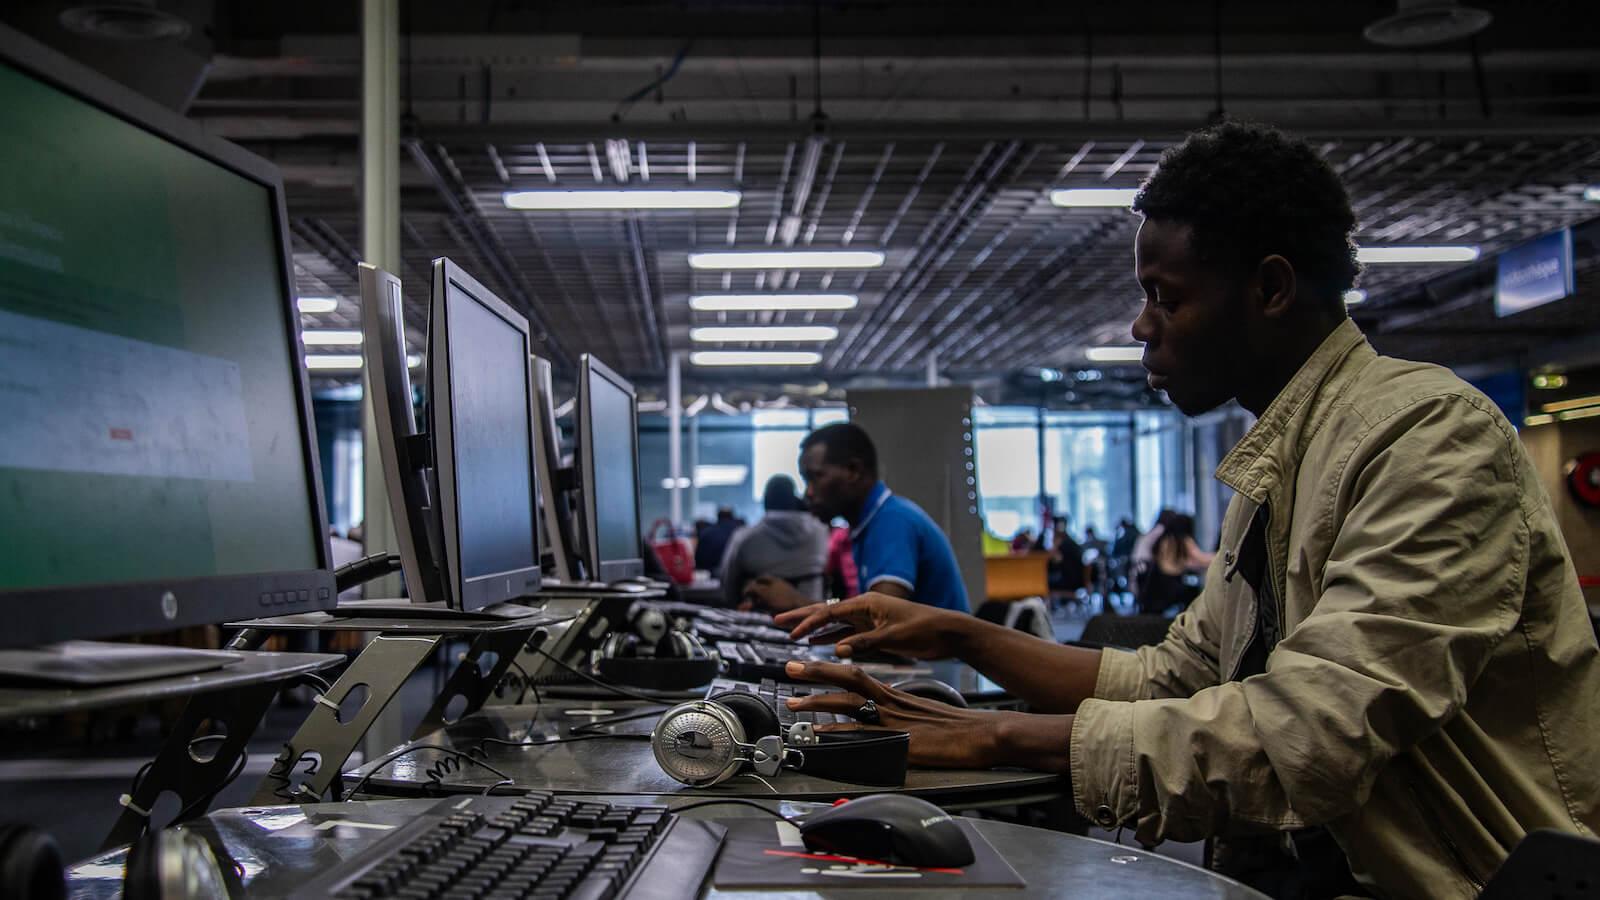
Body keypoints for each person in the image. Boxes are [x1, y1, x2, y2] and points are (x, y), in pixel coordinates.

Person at [775, 122, 1600, 900]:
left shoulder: (1427, 434)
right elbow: (1176, 678)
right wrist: (958, 634)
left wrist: (983, 737)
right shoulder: (1280, 461)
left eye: (1164, 297)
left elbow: (1311, 733)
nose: (1142, 326)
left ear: (1270, 287)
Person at [745, 423, 970, 614]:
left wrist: (798, 602)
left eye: (815, 477)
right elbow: (860, 609)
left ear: (853, 470)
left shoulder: (891, 522)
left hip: (943, 665)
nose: (808, 494)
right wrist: (812, 607)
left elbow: (881, 620)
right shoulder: (869, 524)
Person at [721, 475, 831, 608]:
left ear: (766, 501)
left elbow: (728, 584)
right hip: (814, 615)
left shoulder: (744, 537)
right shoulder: (821, 533)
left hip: (760, 619)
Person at [1138, 513, 1210, 614]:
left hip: (1157, 581)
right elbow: (1202, 559)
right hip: (1174, 584)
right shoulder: (1183, 541)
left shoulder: (1164, 540)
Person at [692, 506, 740, 574]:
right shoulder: (740, 534)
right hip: (734, 575)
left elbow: (698, 561)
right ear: (733, 517)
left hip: (710, 576)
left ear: (717, 517)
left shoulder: (706, 533)